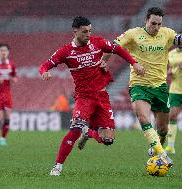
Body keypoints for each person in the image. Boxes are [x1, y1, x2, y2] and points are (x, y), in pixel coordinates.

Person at [39, 16, 144, 176]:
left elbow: (118, 49)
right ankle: (57, 167)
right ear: (75, 32)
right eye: (85, 31)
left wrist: (134, 63)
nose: (88, 34)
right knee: (74, 130)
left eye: (90, 31)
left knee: (108, 139)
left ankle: (88, 132)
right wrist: (44, 72)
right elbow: (45, 65)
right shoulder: (66, 51)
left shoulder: (97, 42)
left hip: (102, 96)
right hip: (84, 98)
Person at [102, 7, 182, 164]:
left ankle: (158, 146)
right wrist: (103, 62)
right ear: (146, 20)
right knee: (143, 118)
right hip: (139, 85)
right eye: (153, 23)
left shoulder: (167, 34)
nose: (156, 27)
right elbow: (112, 46)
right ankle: (163, 155)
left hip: (160, 87)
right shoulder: (133, 34)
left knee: (163, 130)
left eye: (159, 24)